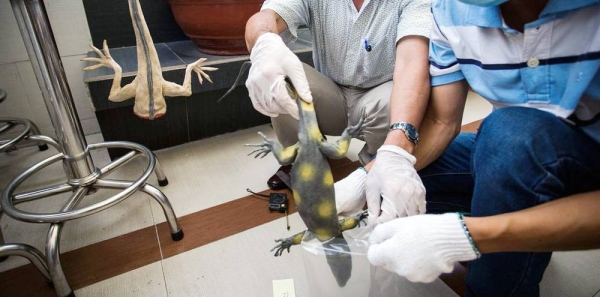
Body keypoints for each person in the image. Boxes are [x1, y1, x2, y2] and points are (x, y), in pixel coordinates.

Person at [361, 0, 600, 296]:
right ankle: (522, 237)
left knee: (507, 133)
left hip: (584, 159)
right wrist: (371, 173)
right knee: (403, 180)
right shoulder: (452, 11)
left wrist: (468, 236)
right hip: (518, 151)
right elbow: (441, 121)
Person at [244, 0, 432, 219]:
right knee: (279, 74)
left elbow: (412, 61)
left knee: (398, 98)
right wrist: (264, 42)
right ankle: (303, 158)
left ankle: (379, 164)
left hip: (379, 94)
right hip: (330, 93)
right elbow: (267, 16)